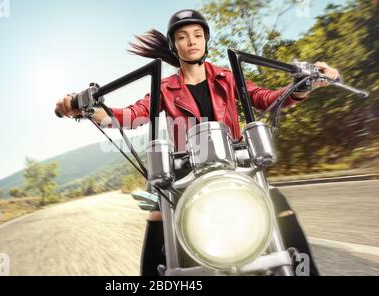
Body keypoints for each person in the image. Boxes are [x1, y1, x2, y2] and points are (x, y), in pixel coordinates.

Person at [55, 9, 339, 276]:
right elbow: (131, 116)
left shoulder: (227, 77)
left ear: (206, 41)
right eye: (182, 36)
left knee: (278, 204)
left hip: (234, 166)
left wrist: (305, 84)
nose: (191, 41)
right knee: (158, 217)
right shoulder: (164, 88)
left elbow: (265, 99)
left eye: (197, 35)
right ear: (174, 45)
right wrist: (86, 109)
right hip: (185, 173)